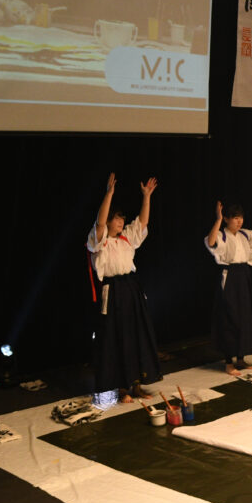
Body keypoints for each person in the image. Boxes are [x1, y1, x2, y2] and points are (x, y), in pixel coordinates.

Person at [86, 172, 162, 404]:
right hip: (113, 291)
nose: (120, 222)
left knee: (136, 335)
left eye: (122, 219)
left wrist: (146, 197)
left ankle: (136, 384)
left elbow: (142, 223)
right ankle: (121, 388)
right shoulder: (99, 241)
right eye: (116, 219)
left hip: (130, 288)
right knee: (116, 337)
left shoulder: (126, 238)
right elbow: (100, 223)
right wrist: (109, 194)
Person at [205, 199, 252, 374]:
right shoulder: (222, 235)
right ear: (227, 219)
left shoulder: (244, 234)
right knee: (230, 318)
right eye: (235, 218)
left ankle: (240, 359)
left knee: (245, 317)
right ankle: (229, 362)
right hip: (230, 277)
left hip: (244, 276)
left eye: (241, 218)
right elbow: (211, 242)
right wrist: (218, 219)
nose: (239, 221)